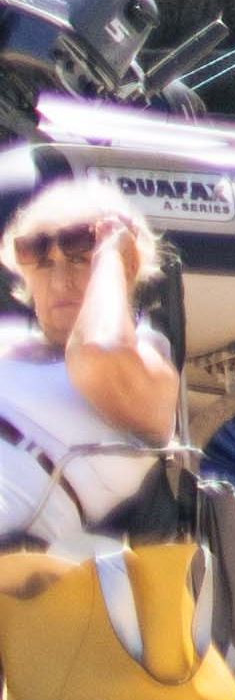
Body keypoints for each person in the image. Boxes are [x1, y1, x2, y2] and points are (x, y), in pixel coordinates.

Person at [0, 175, 178, 561]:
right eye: (43, 264)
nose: (60, 280)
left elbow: (98, 346)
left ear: (123, 269)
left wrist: (112, 250)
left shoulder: (145, 358)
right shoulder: (9, 341)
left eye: (82, 259)